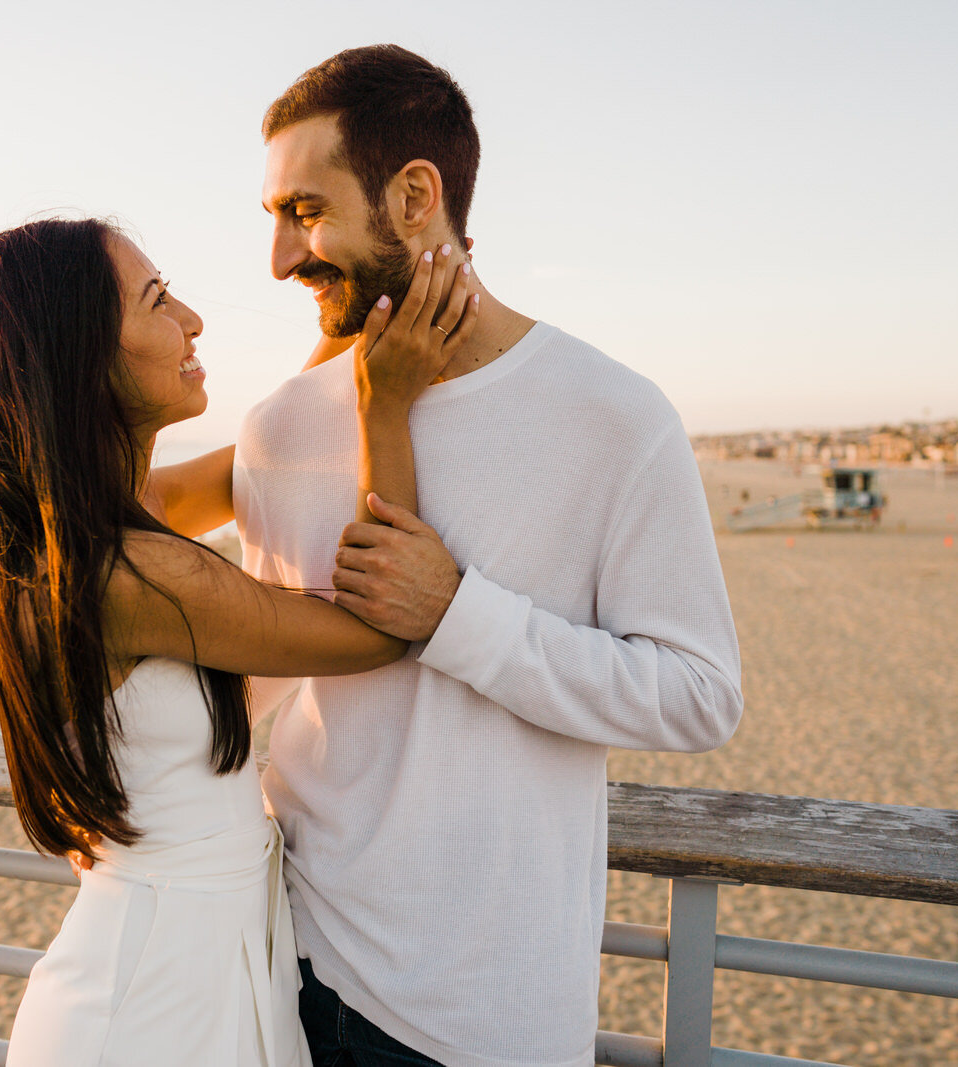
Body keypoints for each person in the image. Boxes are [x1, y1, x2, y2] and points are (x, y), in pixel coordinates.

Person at [235, 45, 744, 1065]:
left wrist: (459, 615)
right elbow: (253, 699)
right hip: (285, 971)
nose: (282, 260)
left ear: (415, 195)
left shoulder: (614, 417)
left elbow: (699, 695)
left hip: (488, 1019)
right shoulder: (281, 427)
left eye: (304, 211)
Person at [0, 217, 475, 1065]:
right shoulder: (136, 577)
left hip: (203, 954)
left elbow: (272, 452)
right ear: (85, 355)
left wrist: (340, 319)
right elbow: (382, 624)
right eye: (158, 300)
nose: (192, 317)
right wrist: (386, 404)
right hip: (157, 996)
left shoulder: (85, 531)